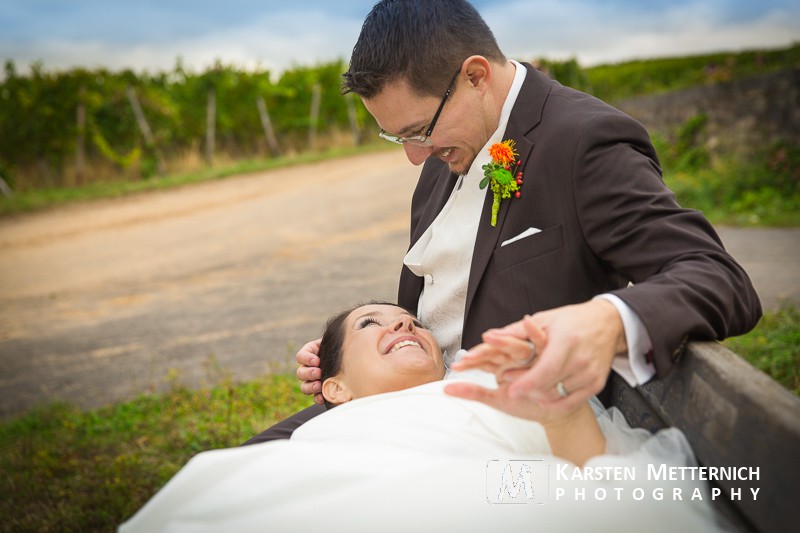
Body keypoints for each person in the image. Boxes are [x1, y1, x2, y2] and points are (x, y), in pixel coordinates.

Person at [245, 0, 761, 444]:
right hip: (407, 407)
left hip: (501, 432)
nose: (414, 156)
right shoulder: (446, 150)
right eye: (397, 137)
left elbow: (718, 277)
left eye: (418, 131)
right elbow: (447, 295)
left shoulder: (585, 142)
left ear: (475, 76)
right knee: (228, 476)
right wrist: (353, 358)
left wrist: (606, 320)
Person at [119, 304, 728, 531]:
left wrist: (559, 418)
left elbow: (577, 480)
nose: (403, 325)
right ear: (334, 387)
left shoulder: (490, 386)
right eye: (372, 324)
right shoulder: (322, 432)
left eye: (411, 322)